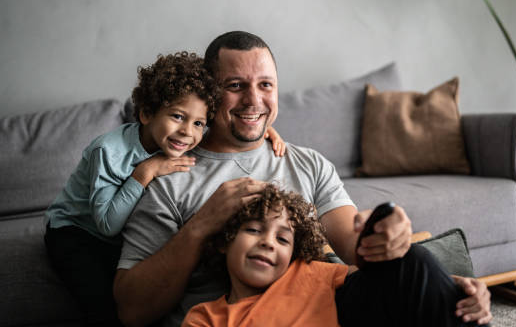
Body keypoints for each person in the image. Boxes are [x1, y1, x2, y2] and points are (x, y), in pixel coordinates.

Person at [114, 31, 492, 327]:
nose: (253, 100)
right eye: (235, 86)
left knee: (419, 265)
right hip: (244, 318)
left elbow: (358, 249)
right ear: (209, 94)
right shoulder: (168, 177)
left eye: (265, 85)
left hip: (325, 309)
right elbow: (132, 311)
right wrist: (200, 227)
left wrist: (407, 254)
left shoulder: (306, 163)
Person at [44, 51, 285, 326]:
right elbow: (107, 225)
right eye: (178, 116)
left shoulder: (181, 138)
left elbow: (226, 131)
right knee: (104, 308)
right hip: (77, 233)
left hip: (117, 232)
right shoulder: (108, 151)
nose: (187, 132)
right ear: (147, 113)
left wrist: (266, 132)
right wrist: (145, 172)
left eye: (198, 123)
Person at [181, 184, 346, 326]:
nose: (268, 242)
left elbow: (368, 273)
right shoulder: (205, 317)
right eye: (253, 230)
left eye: (282, 239)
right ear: (225, 240)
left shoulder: (312, 272)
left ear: (293, 254)